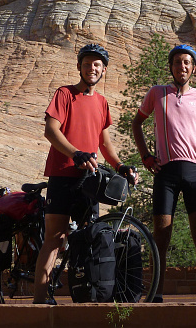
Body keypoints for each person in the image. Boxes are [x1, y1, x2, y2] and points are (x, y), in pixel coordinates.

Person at [32, 43, 137, 304]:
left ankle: (86, 293)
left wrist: (120, 166)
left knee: (88, 237)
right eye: (88, 63)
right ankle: (39, 298)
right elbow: (51, 130)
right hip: (63, 174)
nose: (93, 68)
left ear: (104, 70)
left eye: (98, 65)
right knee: (55, 238)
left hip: (90, 181)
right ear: (79, 66)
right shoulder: (65, 94)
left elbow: (104, 143)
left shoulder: (101, 102)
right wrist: (75, 153)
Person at [131, 44, 196, 303]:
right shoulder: (157, 93)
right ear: (170, 67)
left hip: (195, 172)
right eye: (177, 62)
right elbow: (137, 123)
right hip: (166, 173)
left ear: (193, 68)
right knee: (161, 236)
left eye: (186, 63)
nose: (182, 67)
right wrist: (146, 156)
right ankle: (156, 293)